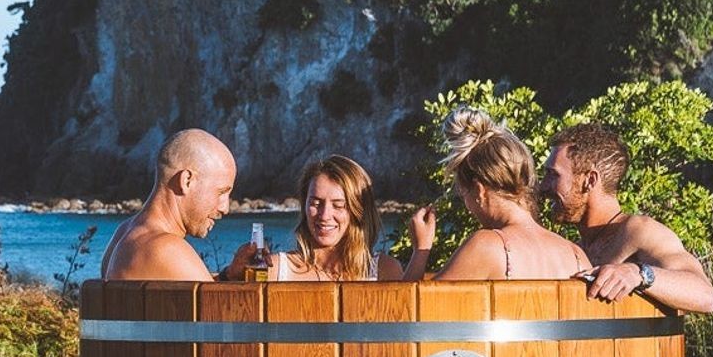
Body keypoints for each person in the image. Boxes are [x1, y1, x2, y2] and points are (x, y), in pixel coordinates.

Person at [540, 122, 713, 314]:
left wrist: (638, 273)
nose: (543, 186)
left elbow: (705, 296)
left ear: (590, 180)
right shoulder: (579, 248)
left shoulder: (638, 232)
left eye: (553, 175)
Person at [408, 108, 589, 281]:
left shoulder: (486, 246)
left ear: (479, 190)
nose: (467, 204)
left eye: (463, 193)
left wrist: (420, 251)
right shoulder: (576, 255)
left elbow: (408, 310)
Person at [225, 154, 404, 280]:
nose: (324, 215)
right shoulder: (276, 269)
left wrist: (421, 251)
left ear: (359, 211)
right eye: (316, 203)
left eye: (338, 205)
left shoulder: (384, 271)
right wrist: (232, 274)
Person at [100, 129, 237, 281]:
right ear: (186, 181)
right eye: (220, 192)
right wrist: (268, 279)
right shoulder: (164, 248)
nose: (225, 208)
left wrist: (229, 274)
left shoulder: (124, 233)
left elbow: (197, 293)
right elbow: (217, 304)